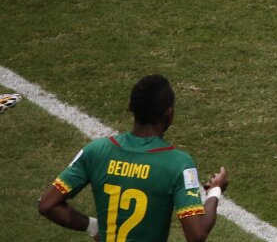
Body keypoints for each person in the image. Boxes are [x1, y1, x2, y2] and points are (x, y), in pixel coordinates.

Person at [37, 74, 229, 242]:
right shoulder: (178, 163)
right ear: (169, 114)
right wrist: (215, 192)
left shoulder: (96, 150)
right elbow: (196, 234)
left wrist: (93, 227)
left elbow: (47, 205)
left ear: (131, 108)